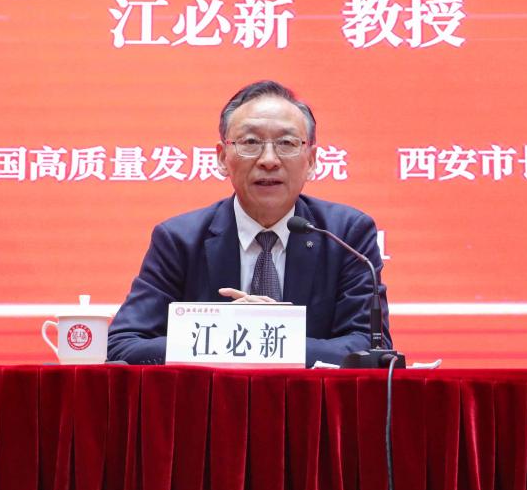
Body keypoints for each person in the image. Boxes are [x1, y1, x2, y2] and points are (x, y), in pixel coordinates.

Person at [106, 80, 390, 367]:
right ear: (222, 157)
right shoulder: (179, 239)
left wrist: (270, 335)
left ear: (312, 160)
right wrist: (231, 333)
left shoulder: (345, 235)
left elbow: (370, 345)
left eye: (287, 143)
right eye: (251, 142)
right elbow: (124, 343)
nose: (269, 160)